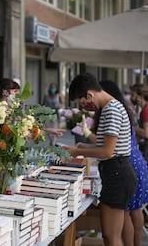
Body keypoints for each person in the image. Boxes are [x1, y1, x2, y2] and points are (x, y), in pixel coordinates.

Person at [62, 73, 137, 246]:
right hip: (117, 172)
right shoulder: (111, 108)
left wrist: (76, 152)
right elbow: (107, 146)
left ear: (90, 95)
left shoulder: (111, 110)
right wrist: (81, 147)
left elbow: (107, 152)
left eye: (83, 103)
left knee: (111, 237)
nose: (85, 107)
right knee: (111, 236)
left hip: (117, 174)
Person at [80, 80, 148, 246]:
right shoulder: (122, 109)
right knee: (134, 210)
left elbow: (107, 147)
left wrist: (83, 142)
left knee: (125, 216)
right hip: (134, 162)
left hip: (125, 165)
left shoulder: (112, 111)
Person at [130, 83, 148, 162]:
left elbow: (146, 133)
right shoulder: (144, 110)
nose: (131, 98)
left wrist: (133, 127)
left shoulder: (145, 111)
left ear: (140, 96)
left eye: (133, 95)